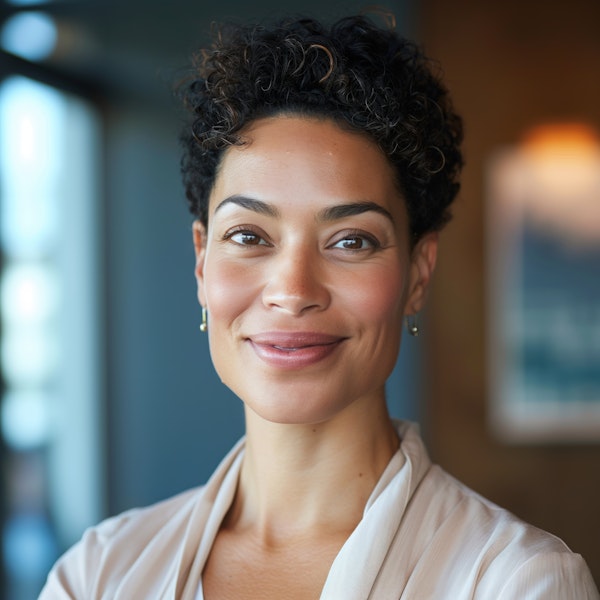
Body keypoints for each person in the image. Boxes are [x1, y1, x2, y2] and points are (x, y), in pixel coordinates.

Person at [40, 15, 599, 600]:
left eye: (351, 240)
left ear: (417, 274)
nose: (293, 289)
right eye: (250, 236)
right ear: (202, 262)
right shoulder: (98, 574)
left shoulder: (518, 582)